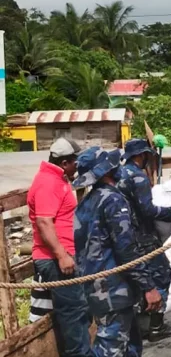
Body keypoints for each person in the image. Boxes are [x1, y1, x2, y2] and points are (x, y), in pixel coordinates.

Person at [73, 147, 162, 357]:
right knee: (110, 347)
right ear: (106, 171)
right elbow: (126, 249)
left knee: (130, 345)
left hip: (95, 287)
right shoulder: (113, 200)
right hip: (113, 290)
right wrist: (148, 286)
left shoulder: (86, 202)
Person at [27, 138, 91, 357]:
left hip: (64, 253)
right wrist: (62, 256)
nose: (78, 166)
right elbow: (44, 222)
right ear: (64, 163)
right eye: (75, 162)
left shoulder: (58, 178)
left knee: (78, 309)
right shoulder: (48, 182)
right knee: (72, 312)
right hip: (55, 258)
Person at [116, 139, 171, 341]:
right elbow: (147, 210)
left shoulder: (118, 175)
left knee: (135, 278)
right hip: (143, 237)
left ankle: (138, 325)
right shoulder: (138, 178)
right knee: (161, 274)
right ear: (141, 155)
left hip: (124, 236)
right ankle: (156, 326)